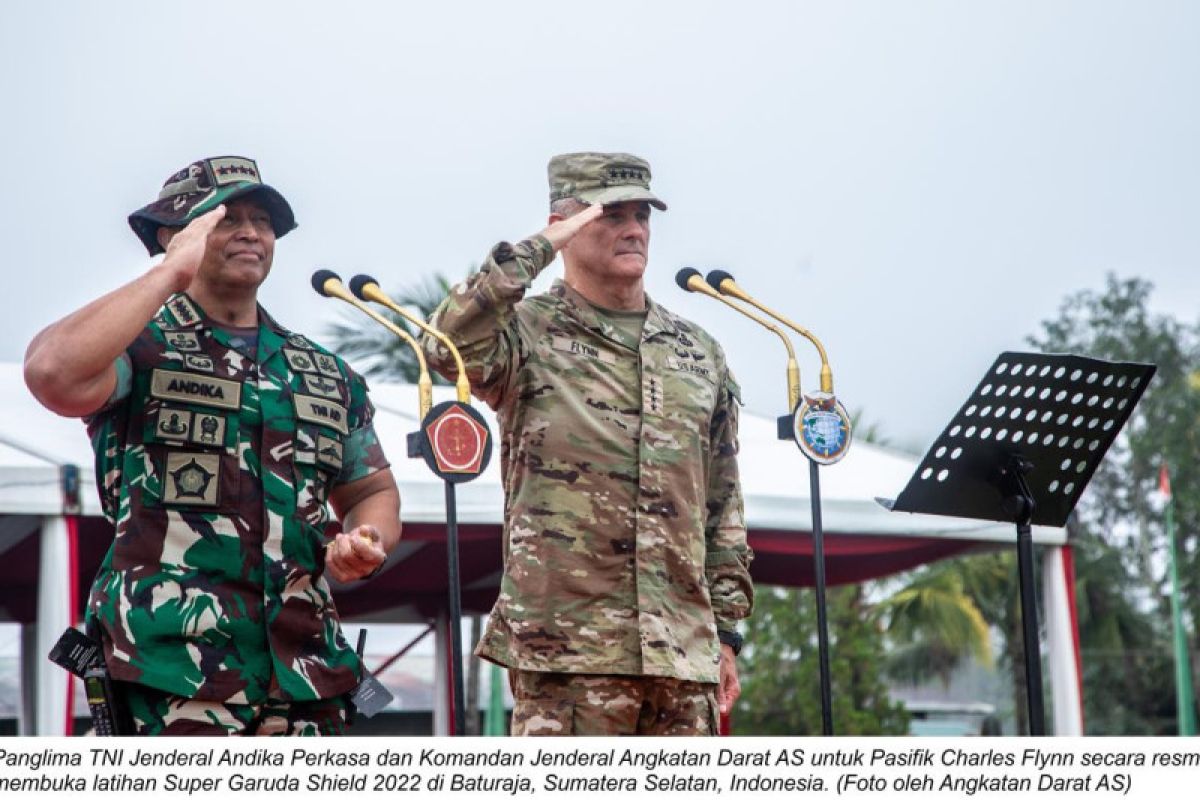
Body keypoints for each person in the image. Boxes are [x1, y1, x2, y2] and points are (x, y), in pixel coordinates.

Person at [24, 155, 401, 736]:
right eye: (227, 218)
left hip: (305, 675)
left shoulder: (323, 372)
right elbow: (51, 374)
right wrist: (170, 275)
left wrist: (368, 539)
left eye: (264, 220)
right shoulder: (140, 346)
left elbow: (372, 487)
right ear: (178, 236)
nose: (252, 232)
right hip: (171, 671)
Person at [423, 152, 753, 735]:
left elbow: (722, 508)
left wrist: (726, 635)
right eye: (612, 214)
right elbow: (443, 344)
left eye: (643, 215)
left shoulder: (697, 352)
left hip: (682, 656)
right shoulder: (527, 332)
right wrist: (539, 246)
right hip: (566, 657)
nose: (634, 229)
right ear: (565, 224)